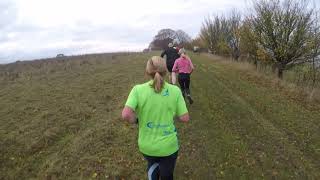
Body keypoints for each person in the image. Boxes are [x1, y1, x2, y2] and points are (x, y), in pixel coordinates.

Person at [122, 56, 189, 180]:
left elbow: (126, 114)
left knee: (152, 165)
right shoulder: (175, 91)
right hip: (169, 147)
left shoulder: (137, 90)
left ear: (148, 71)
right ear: (165, 71)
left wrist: (137, 120)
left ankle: (153, 170)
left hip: (146, 146)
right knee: (167, 175)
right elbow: (185, 118)